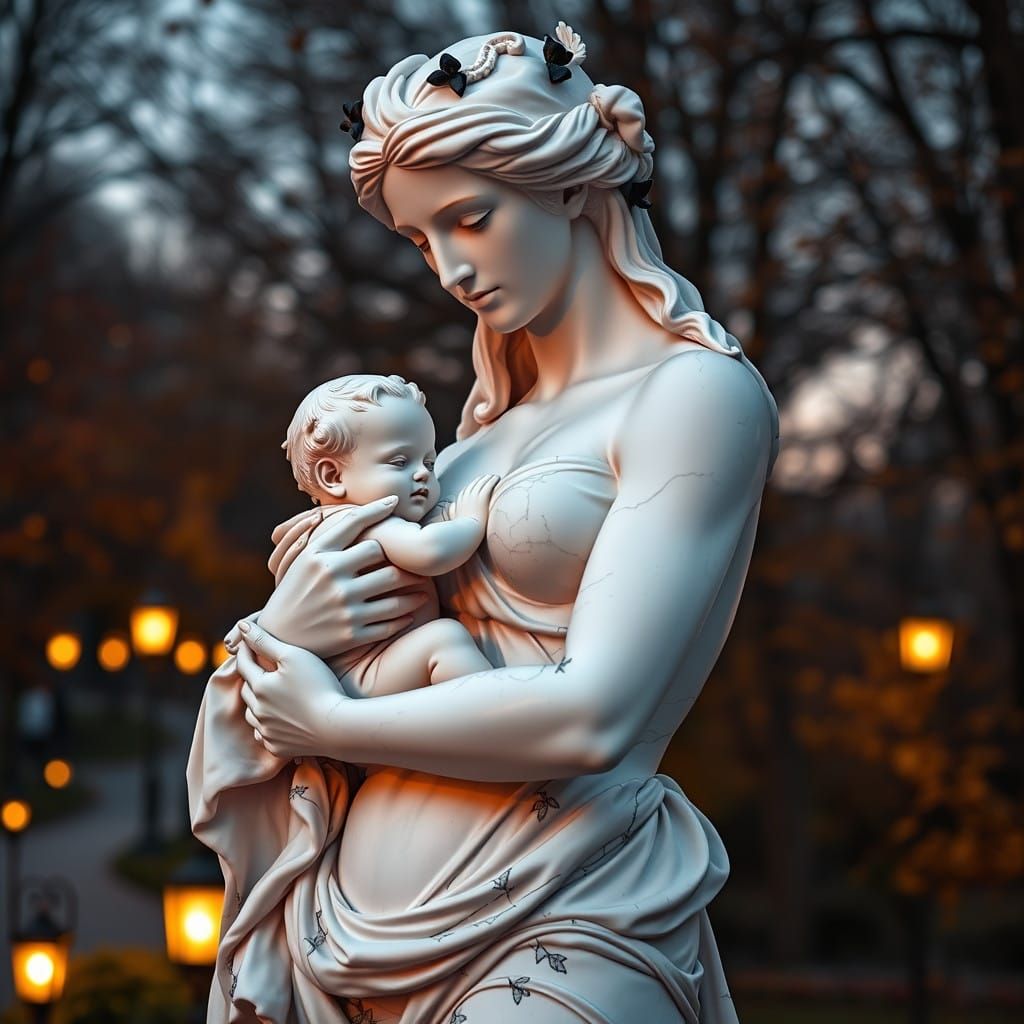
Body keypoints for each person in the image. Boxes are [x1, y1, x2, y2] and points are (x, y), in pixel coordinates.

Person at [189, 23, 780, 1024]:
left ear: (568, 185)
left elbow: (594, 713)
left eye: (470, 218)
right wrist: (290, 632)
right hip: (349, 939)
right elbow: (309, 674)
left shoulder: (692, 396)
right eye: (423, 240)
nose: (451, 270)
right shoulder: (467, 444)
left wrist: (332, 720)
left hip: (567, 921)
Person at [275, 372, 496, 699]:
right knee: (445, 640)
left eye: (430, 462)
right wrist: (473, 520)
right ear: (333, 475)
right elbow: (430, 551)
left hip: (357, 672)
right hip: (360, 675)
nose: (422, 473)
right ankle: (500, 712)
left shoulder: (316, 527)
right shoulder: (365, 521)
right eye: (400, 461)